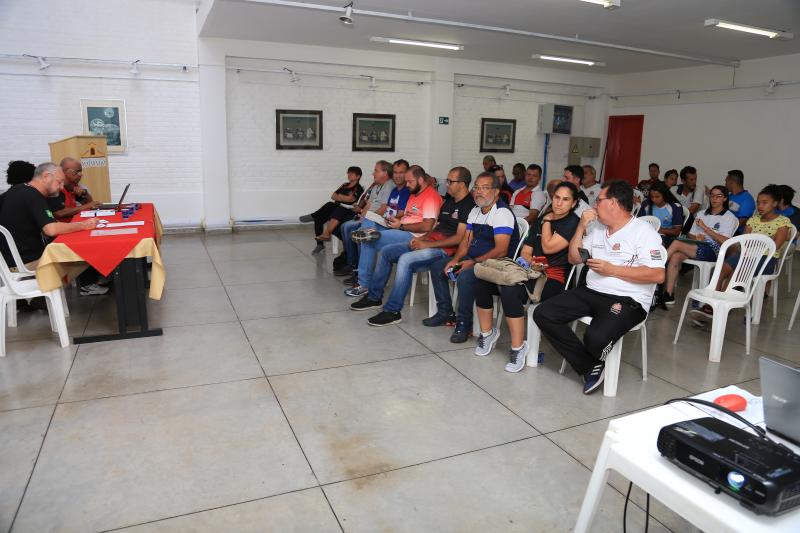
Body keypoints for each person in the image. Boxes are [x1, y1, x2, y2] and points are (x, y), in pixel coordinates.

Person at [533, 180, 666, 394]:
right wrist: (581, 226)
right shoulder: (596, 228)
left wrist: (612, 269)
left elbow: (658, 275)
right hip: (591, 291)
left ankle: (590, 363)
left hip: (627, 299)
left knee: (595, 339)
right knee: (543, 313)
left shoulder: (643, 232)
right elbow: (574, 258)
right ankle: (590, 366)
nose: (594, 205)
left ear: (613, 203)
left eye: (599, 200)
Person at [474, 181, 580, 372]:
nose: (559, 203)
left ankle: (517, 347)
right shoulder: (543, 218)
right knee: (482, 280)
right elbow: (526, 250)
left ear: (573, 204)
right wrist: (529, 261)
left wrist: (547, 221)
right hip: (529, 272)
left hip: (553, 279)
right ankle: (487, 333)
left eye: (565, 200)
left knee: (510, 291)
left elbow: (548, 247)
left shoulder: (571, 222)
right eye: (556, 198)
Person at [350, 167, 475, 325]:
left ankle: (392, 311)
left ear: (463, 184)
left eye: (450, 181)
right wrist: (423, 239)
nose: (447, 184)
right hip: (431, 242)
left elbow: (458, 238)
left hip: (444, 250)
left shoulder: (469, 205)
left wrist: (428, 243)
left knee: (405, 260)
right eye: (447, 180)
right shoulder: (449, 202)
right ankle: (374, 297)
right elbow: (435, 227)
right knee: (387, 251)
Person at [426, 172, 520, 343]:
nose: (479, 192)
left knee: (466, 277)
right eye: (476, 187)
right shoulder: (475, 210)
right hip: (474, 258)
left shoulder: (501, 213)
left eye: (485, 188)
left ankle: (464, 323)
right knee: (438, 266)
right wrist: (456, 260)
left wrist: (473, 262)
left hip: (494, 263)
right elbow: (466, 241)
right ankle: (445, 312)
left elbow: (501, 250)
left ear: (496, 192)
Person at [691, 185, 793, 324]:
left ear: (774, 203)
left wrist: (755, 247)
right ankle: (711, 304)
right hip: (746, 256)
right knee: (723, 268)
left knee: (737, 271)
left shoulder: (782, 222)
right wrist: (747, 249)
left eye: (764, 202)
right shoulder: (753, 220)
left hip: (766, 260)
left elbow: (775, 246)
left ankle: (719, 307)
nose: (760, 206)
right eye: (758, 202)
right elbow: (743, 241)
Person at [344, 165, 442, 297]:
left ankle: (364, 284)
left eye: (409, 181)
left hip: (413, 235)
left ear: (420, 180)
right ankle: (366, 232)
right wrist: (394, 222)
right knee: (369, 222)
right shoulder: (414, 194)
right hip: (400, 228)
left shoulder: (431, 196)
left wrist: (400, 226)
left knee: (368, 239)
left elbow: (427, 226)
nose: (407, 184)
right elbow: (407, 217)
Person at [0, 162, 98, 269]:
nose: (61, 188)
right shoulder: (33, 196)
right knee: (86, 254)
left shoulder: (17, 190)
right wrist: (84, 225)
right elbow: (51, 229)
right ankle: (73, 284)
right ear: (46, 176)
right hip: (26, 263)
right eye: (59, 182)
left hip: (9, 261)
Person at [662, 185, 738, 305]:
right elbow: (691, 235)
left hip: (715, 250)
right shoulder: (702, 213)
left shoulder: (729, 217)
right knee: (676, 256)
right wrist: (697, 237)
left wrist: (706, 229)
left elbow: (725, 241)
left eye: (718, 196)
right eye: (712, 196)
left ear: (724, 199)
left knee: (676, 243)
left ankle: (657, 267)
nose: (714, 199)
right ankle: (668, 294)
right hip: (696, 245)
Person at [329, 162, 394, 277]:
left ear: (385, 173)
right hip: (368, 217)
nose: (373, 173)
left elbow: (383, 209)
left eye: (376, 170)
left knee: (351, 228)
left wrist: (367, 218)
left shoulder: (389, 185)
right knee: (345, 226)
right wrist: (362, 216)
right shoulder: (377, 185)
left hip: (377, 219)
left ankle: (357, 267)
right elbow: (368, 204)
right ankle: (352, 263)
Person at [301, 166, 363, 254]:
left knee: (327, 208)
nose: (349, 175)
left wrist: (340, 197)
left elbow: (350, 200)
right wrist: (343, 197)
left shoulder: (358, 188)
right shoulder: (344, 185)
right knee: (320, 216)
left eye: (352, 173)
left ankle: (313, 216)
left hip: (344, 211)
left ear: (358, 176)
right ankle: (320, 245)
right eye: (348, 173)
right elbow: (333, 196)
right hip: (335, 208)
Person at [47, 158, 101, 222]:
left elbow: (89, 203)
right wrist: (87, 206)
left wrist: (85, 193)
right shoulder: (55, 187)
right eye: (77, 171)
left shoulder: (73, 186)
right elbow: (58, 213)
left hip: (73, 223)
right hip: (61, 227)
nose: (81, 174)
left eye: (81, 171)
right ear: (66, 171)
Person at [637, 181, 684, 248]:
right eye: (652, 197)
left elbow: (676, 231)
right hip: (647, 235)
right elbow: (639, 222)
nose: (654, 199)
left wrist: (658, 230)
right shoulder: (646, 204)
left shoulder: (675, 207)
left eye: (657, 197)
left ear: (664, 195)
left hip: (667, 238)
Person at [724, 169, 755, 233]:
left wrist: (726, 229)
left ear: (731, 182)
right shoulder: (729, 196)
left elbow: (743, 221)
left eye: (726, 181)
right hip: (723, 228)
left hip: (736, 232)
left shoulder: (747, 199)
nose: (725, 184)